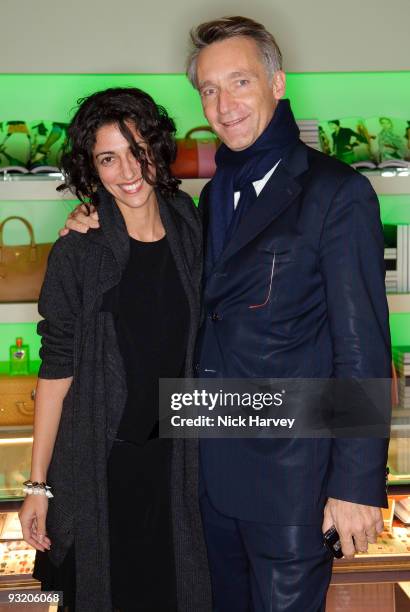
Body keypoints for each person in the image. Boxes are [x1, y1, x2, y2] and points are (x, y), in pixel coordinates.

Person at [62, 16, 391, 612]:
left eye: (238, 82)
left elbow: (362, 349)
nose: (223, 104)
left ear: (277, 82)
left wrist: (356, 484)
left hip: (293, 489)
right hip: (203, 481)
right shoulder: (211, 197)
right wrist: (92, 224)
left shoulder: (336, 193)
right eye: (209, 90)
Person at [18, 87, 212, 612]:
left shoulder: (190, 224)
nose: (128, 171)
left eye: (137, 150)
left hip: (179, 466)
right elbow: (55, 374)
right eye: (108, 157)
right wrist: (38, 485)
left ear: (157, 149)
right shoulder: (79, 249)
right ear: (92, 167)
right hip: (103, 467)